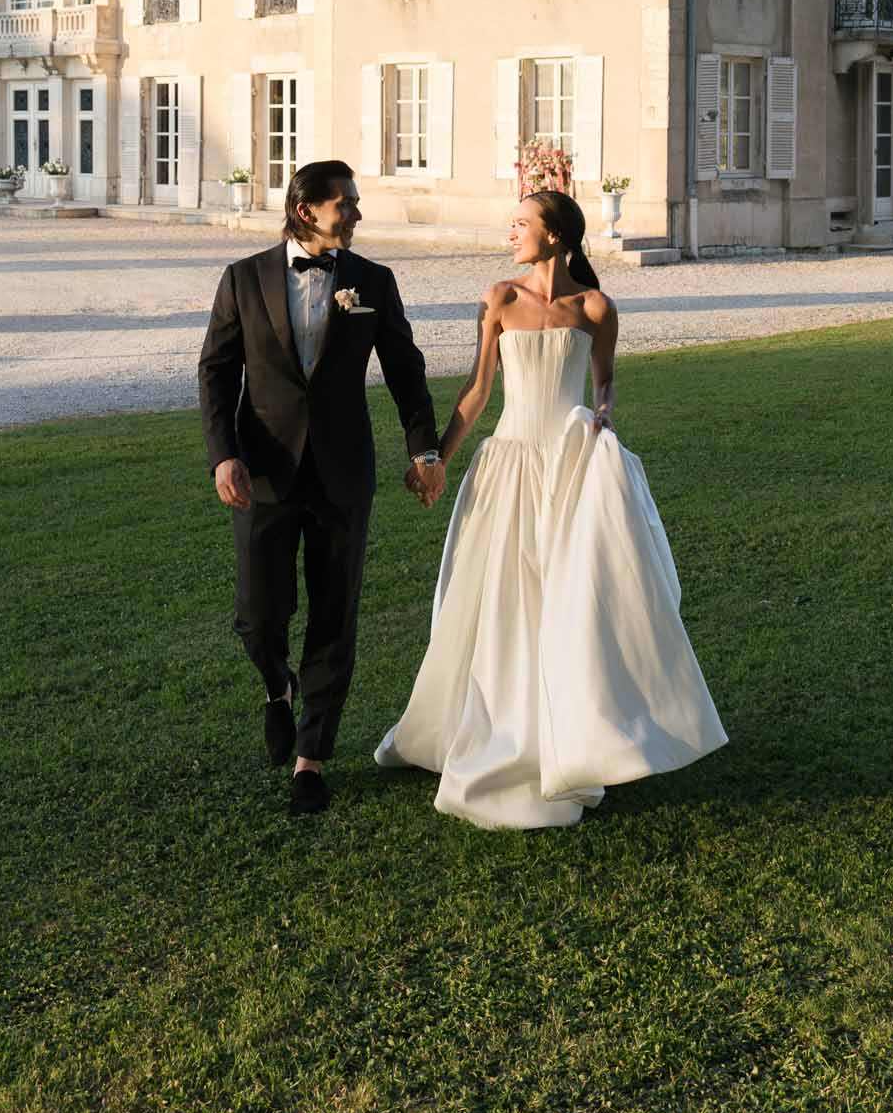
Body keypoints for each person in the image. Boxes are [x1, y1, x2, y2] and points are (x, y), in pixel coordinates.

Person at [375, 189, 727, 830]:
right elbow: (478, 390)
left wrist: (605, 414)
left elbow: (604, 381)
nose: (511, 233)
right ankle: (498, 728)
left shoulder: (595, 307)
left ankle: (570, 730)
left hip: (567, 464)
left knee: (563, 597)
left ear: (556, 235)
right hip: (508, 465)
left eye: (522, 224)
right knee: (501, 600)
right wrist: (438, 459)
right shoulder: (499, 299)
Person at [199, 160, 444, 816]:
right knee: (258, 613)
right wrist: (224, 456)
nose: (357, 213)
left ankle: (310, 759)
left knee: (335, 613)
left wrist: (423, 450)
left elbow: (405, 370)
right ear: (307, 209)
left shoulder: (373, 281)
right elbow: (216, 372)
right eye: (347, 204)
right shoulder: (242, 278)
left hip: (343, 473)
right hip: (264, 471)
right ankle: (276, 684)